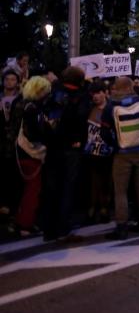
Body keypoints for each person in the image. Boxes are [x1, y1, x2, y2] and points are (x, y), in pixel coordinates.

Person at [101, 77, 139, 240]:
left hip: (122, 153)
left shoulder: (111, 106)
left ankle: (121, 227)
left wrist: (115, 144)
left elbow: (104, 132)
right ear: (131, 87)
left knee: (121, 191)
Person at [41, 66, 90, 242]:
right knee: (68, 188)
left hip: (52, 147)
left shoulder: (52, 94)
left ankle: (48, 229)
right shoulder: (81, 97)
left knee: (51, 187)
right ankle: (63, 229)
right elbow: (81, 118)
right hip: (71, 147)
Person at [14, 76, 52, 237]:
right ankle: (25, 224)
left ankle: (19, 221)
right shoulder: (33, 109)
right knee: (33, 190)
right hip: (30, 153)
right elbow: (33, 133)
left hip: (18, 151)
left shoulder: (21, 104)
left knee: (22, 189)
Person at [84, 82, 114, 223]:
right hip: (92, 152)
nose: (95, 96)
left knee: (107, 181)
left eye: (98, 93)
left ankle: (104, 209)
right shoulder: (89, 109)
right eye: (93, 94)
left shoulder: (112, 109)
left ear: (105, 93)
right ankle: (92, 208)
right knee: (93, 181)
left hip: (108, 152)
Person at [1, 69, 23, 219]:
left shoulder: (21, 99)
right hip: (1, 142)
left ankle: (12, 207)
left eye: (13, 79)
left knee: (13, 175)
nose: (10, 82)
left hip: (15, 143)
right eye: (7, 79)